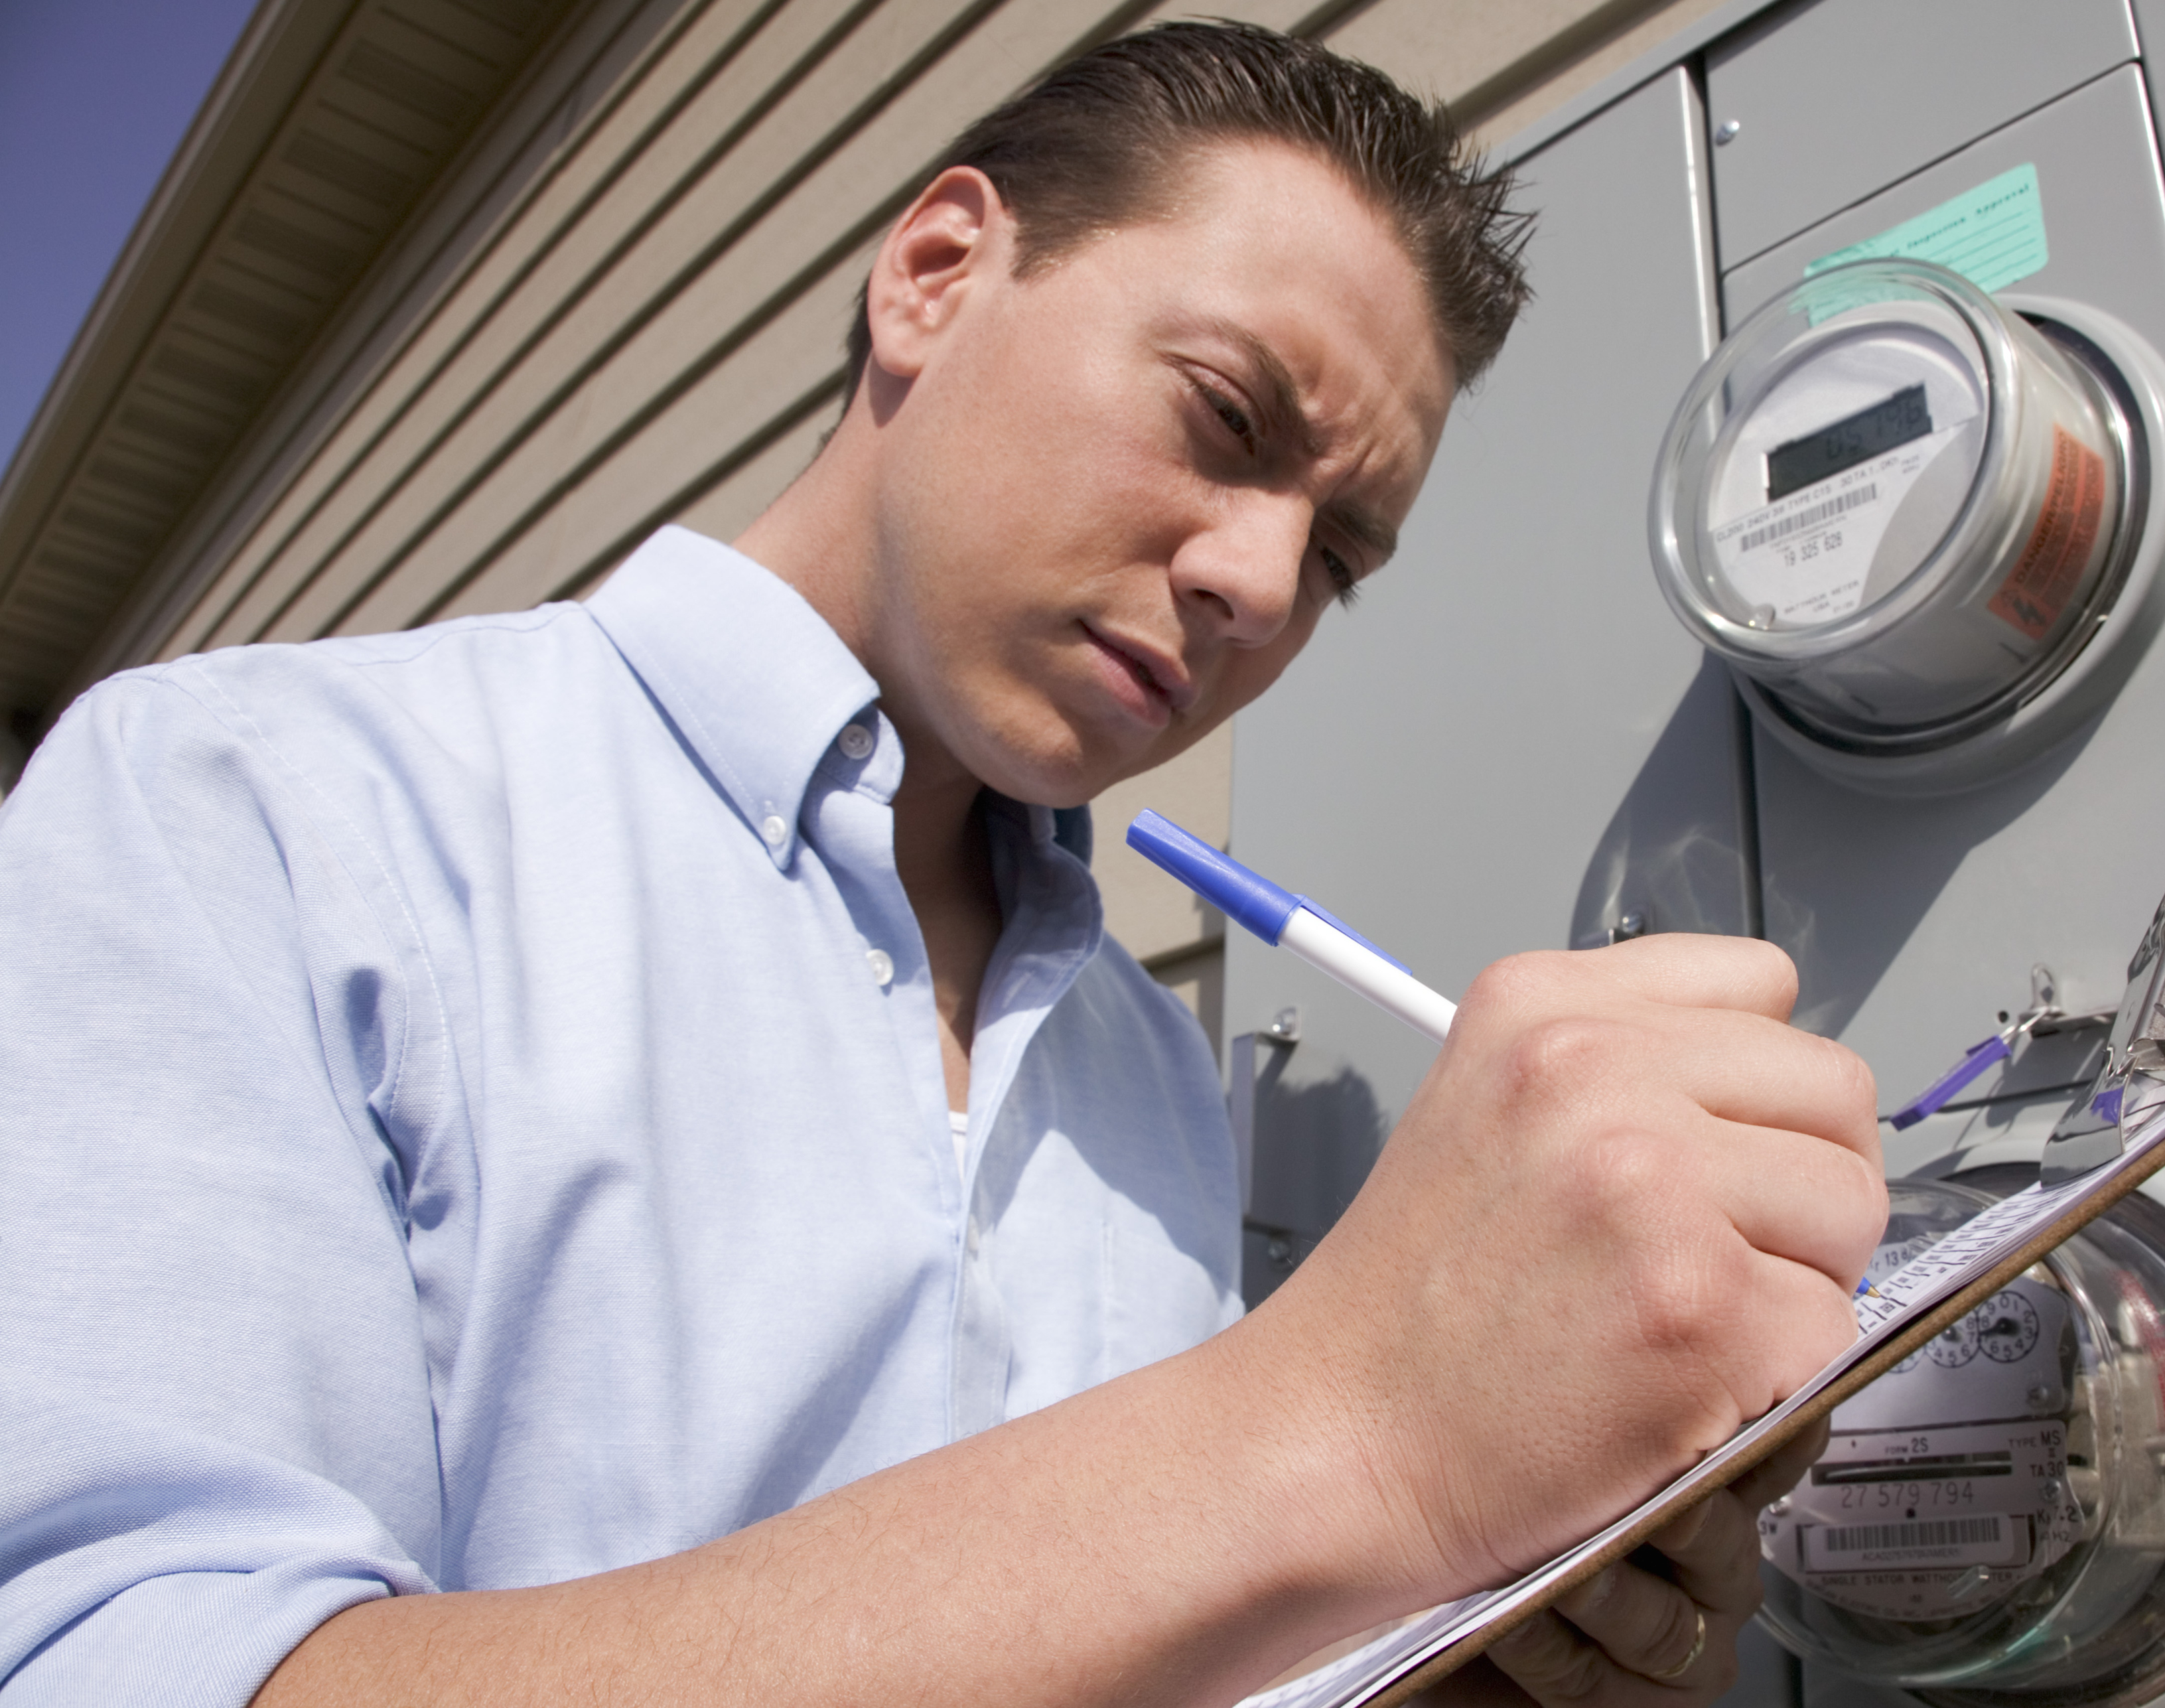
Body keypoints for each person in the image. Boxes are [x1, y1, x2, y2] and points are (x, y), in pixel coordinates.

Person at [0, 23, 1884, 1707]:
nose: (1254, 581)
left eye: (1340, 557)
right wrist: (1338, 1435)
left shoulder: (1149, 1066)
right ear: (934, 273)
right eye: (1228, 418)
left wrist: (1442, 1629)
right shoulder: (259, 807)